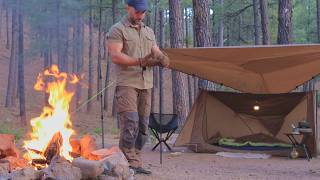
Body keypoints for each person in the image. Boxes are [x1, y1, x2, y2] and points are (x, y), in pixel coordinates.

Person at [107, 0, 169, 175]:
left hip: (146, 84)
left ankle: (135, 160)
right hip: (127, 84)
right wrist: (141, 61)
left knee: (143, 126)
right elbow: (116, 56)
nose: (140, 15)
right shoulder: (117, 29)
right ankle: (126, 162)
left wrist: (162, 59)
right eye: (137, 12)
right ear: (128, 8)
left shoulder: (149, 31)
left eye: (143, 12)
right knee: (131, 122)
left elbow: (156, 51)